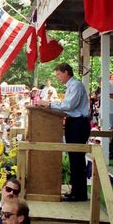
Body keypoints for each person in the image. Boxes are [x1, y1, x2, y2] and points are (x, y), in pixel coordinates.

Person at [43, 63, 90, 201]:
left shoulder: (76, 85)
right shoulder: (71, 86)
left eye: (58, 74)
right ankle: (76, 191)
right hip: (73, 123)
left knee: (77, 158)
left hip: (79, 123)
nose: (57, 78)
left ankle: (79, 193)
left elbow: (69, 105)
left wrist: (49, 104)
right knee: (74, 158)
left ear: (66, 72)